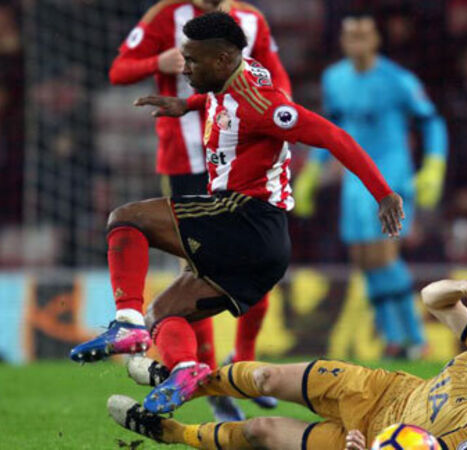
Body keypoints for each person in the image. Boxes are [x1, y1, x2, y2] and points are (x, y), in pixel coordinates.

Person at [72, 11, 405, 415]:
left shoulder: (263, 105)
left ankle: (127, 324)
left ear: (222, 59)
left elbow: (333, 135)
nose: (184, 67)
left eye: (192, 61)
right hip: (263, 246)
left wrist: (384, 194)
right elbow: (218, 95)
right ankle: (186, 370)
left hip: (245, 218)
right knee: (162, 314)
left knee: (126, 218)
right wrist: (187, 104)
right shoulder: (232, 74)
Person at [108, 278, 467, 450]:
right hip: (378, 388)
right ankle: (183, 381)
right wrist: (461, 286)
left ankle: (170, 432)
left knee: (260, 432)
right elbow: (434, 299)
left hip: (368, 443)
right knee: (265, 375)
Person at [99, 0, 292, 420]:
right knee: (196, 270)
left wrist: (282, 118)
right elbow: (118, 71)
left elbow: (278, 78)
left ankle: (242, 361)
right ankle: (208, 384)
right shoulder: (164, 15)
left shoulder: (251, 20)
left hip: (243, 160)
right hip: (185, 161)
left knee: (255, 261)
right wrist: (157, 62)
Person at [294, 12, 448, 359]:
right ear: (343, 41)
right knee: (362, 257)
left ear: (376, 40)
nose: (357, 43)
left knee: (382, 253)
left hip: (391, 174)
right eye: (351, 36)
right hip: (355, 178)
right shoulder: (334, 79)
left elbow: (432, 121)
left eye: (363, 35)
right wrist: (312, 171)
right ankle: (394, 339)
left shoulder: (398, 80)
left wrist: (434, 164)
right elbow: (331, 129)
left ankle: (415, 339)